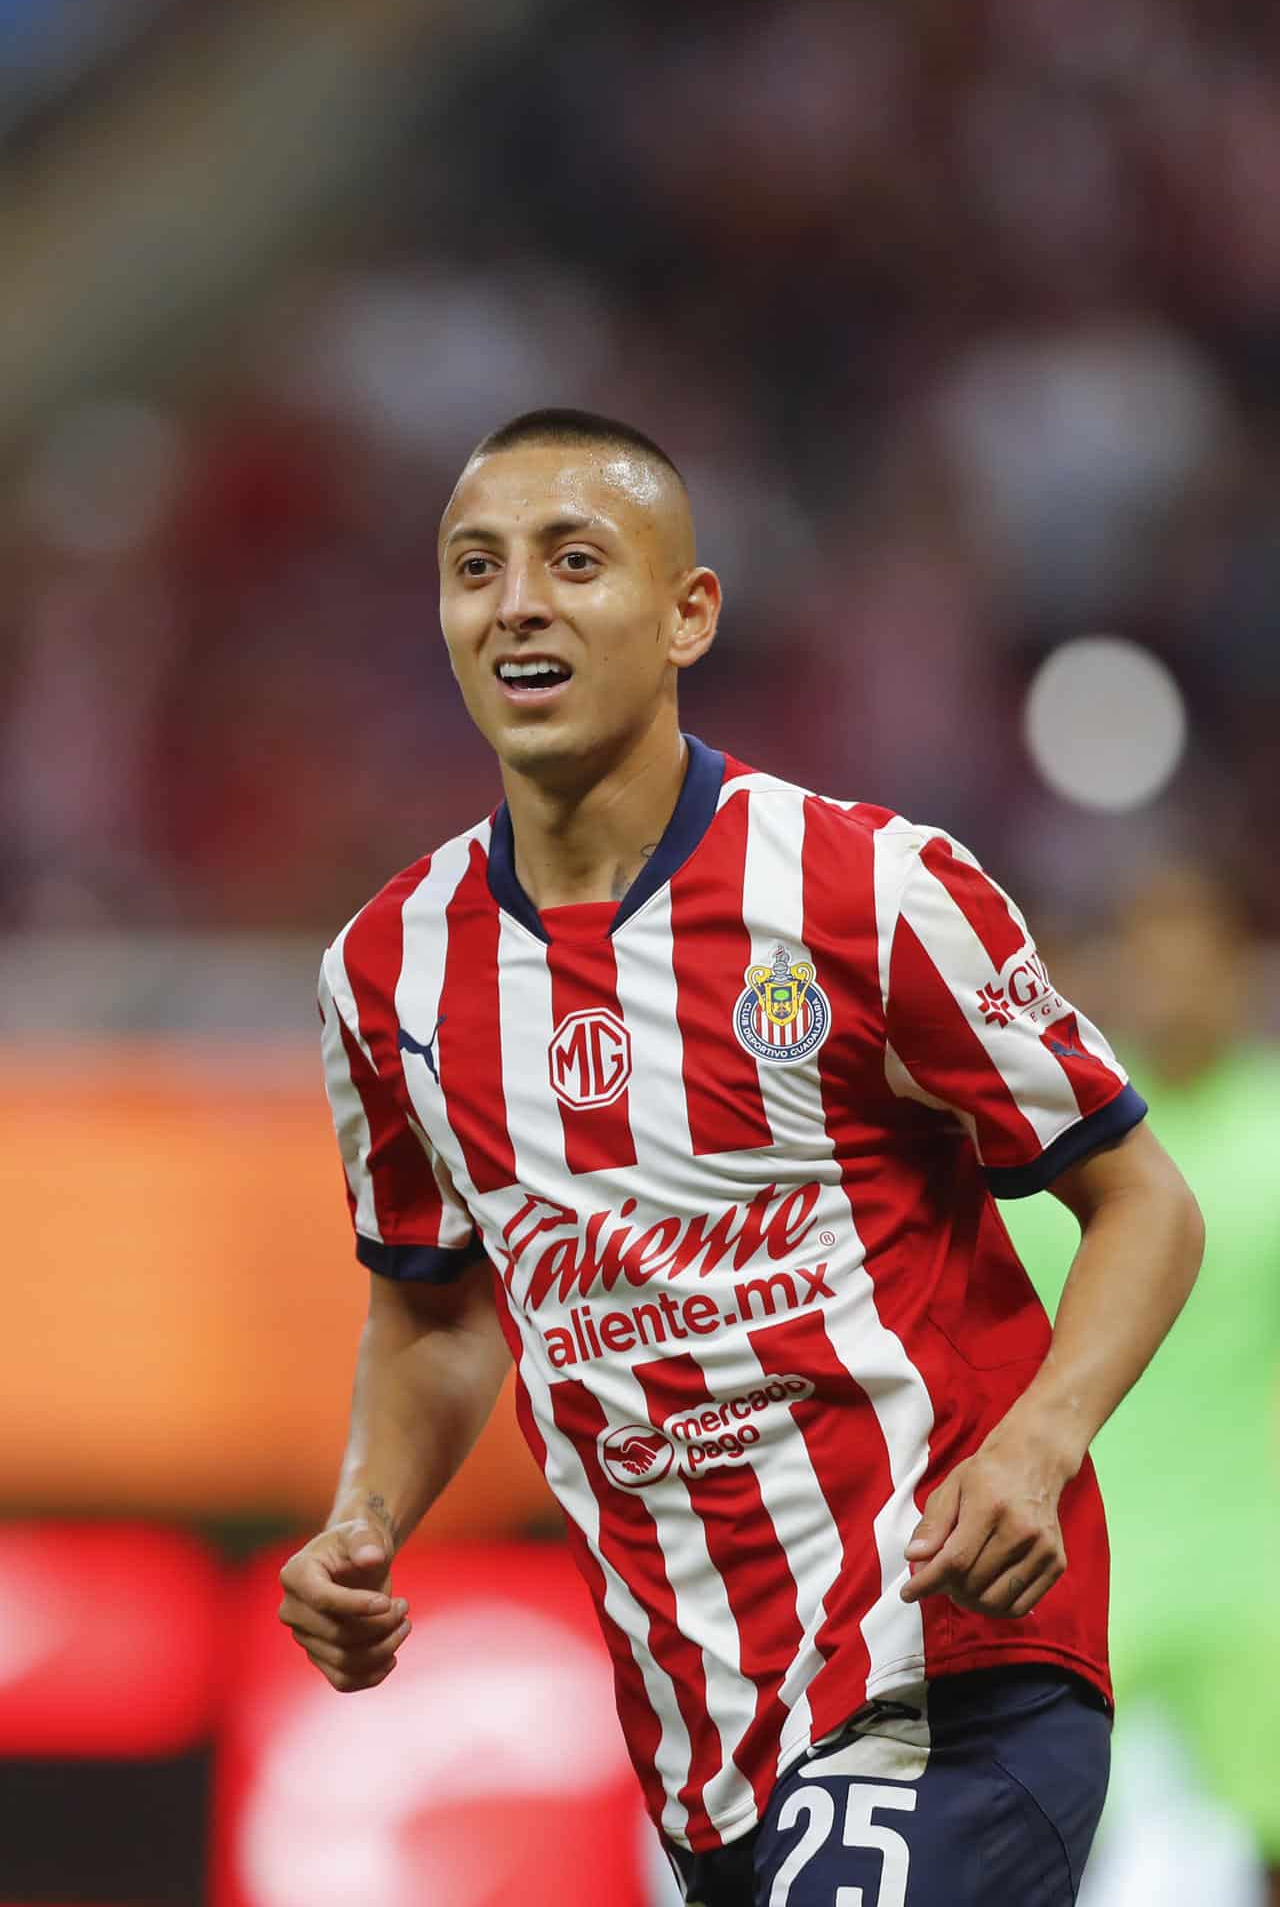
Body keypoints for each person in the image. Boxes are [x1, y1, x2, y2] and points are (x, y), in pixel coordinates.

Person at [278, 409, 1204, 1907]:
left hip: (947, 1667)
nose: (517, 601)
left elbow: (1142, 1198)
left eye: (575, 561)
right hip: (703, 1740)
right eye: (475, 569)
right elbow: (438, 1313)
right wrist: (365, 1521)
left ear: (688, 613)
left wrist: (1038, 1445)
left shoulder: (867, 891)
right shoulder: (387, 975)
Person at [1003, 866, 1280, 1907]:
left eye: (1187, 944)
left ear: (1234, 961)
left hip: (1252, 1594)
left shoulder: (1271, 1136)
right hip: (1082, 1595)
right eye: (1140, 947)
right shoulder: (1065, 1170)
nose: (1164, 975)